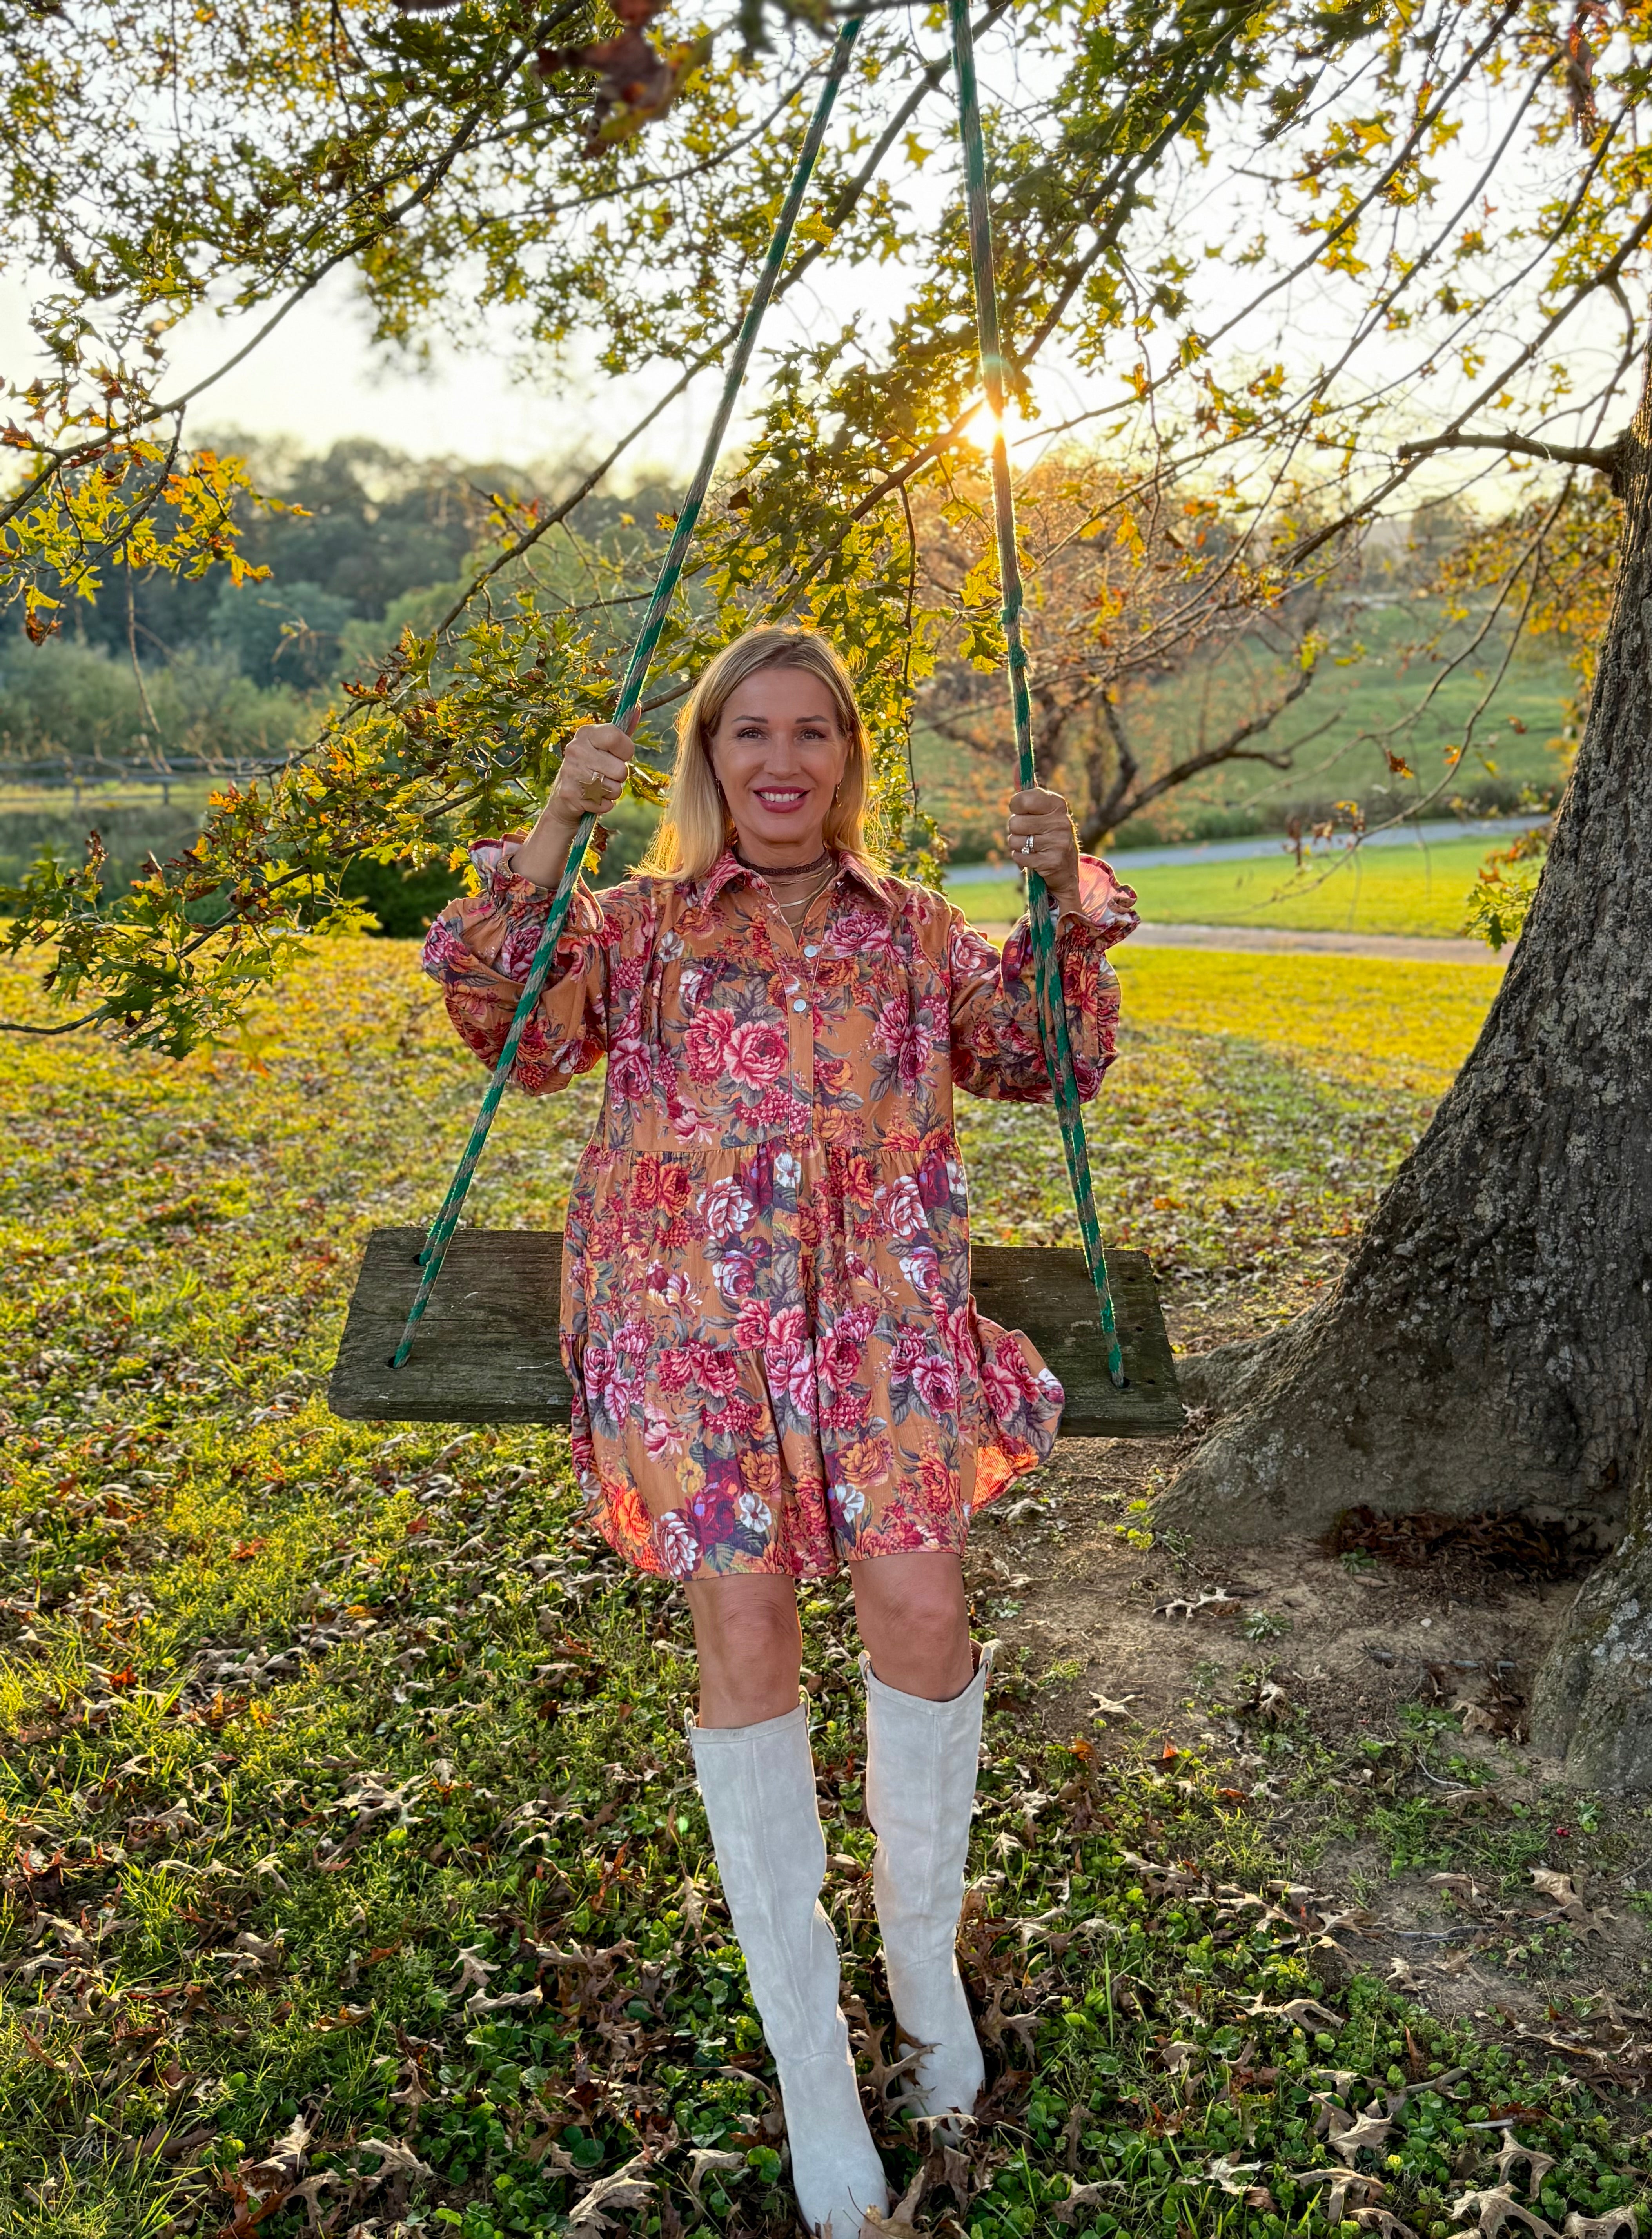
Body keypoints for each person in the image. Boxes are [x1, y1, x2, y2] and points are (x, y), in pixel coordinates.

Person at [422, 624, 1138, 2239]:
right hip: (687, 1322)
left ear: (850, 761)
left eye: (813, 731)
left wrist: (1062, 898)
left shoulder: (918, 929)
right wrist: (556, 821)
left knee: (923, 1612)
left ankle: (920, 1976)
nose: (782, 761)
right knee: (744, 1630)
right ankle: (813, 2062)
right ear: (707, 759)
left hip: (881, 1311)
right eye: (749, 732)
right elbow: (511, 1036)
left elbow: (1046, 1060)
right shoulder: (639, 927)